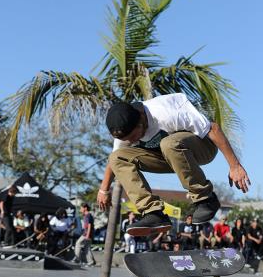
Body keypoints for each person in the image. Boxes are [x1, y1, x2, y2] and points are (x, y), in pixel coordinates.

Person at [98, 93, 250, 235]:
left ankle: (205, 199)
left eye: (133, 136)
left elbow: (213, 129)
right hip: (169, 157)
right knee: (117, 156)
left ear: (141, 118)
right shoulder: (124, 132)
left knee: (168, 143)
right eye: (127, 140)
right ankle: (153, 213)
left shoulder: (166, 114)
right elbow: (114, 161)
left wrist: (234, 166)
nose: (131, 142)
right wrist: (103, 190)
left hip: (203, 147)